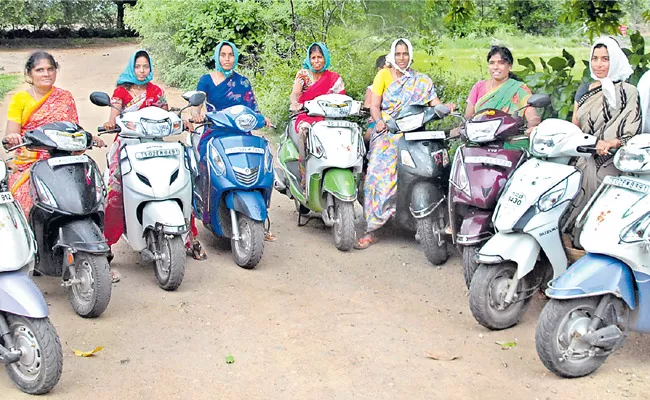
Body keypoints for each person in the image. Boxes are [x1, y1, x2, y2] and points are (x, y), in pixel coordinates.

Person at [102, 50, 205, 277]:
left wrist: (184, 121)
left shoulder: (156, 91)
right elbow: (113, 116)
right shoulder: (121, 91)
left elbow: (166, 116)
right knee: (116, 193)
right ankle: (105, 246)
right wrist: (111, 124)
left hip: (157, 145)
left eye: (145, 67)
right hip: (128, 146)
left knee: (184, 183)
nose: (142, 71)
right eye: (138, 67)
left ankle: (190, 238)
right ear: (132, 68)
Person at [355, 38, 455, 249]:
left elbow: (434, 104)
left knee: (434, 166)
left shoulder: (421, 81)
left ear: (411, 55)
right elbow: (375, 105)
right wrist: (379, 121)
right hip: (388, 132)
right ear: (393, 55)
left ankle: (432, 217)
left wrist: (446, 107)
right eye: (398, 54)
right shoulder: (383, 75)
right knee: (377, 173)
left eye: (405, 54)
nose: (402, 58)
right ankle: (373, 227)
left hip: (415, 132)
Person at [190, 40, 276, 241]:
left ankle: (262, 219)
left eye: (230, 55)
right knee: (206, 163)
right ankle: (207, 210)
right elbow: (197, 105)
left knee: (259, 165)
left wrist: (263, 119)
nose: (227, 59)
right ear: (217, 57)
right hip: (215, 132)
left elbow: (253, 109)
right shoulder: (206, 81)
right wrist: (196, 115)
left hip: (241, 133)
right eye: (223, 55)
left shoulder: (243, 82)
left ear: (235, 57)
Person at [4, 51, 104, 212]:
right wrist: (13, 138)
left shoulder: (65, 97)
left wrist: (89, 138)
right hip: (30, 164)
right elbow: (11, 137)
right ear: (30, 73)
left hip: (64, 160)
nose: (46, 74)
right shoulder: (20, 99)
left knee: (89, 195)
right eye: (40, 70)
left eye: (50, 69)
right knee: (27, 200)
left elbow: (73, 129)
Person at [566, 36, 641, 244]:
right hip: (583, 152)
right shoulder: (585, 90)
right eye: (595, 58)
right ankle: (567, 235)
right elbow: (575, 126)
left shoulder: (628, 93)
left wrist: (610, 143)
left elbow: (631, 133)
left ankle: (587, 238)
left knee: (597, 177)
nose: (599, 64)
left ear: (615, 60)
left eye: (605, 59)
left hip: (613, 157)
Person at [288, 42, 345, 190]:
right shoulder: (303, 74)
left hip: (328, 118)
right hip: (307, 116)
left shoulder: (334, 78)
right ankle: (304, 172)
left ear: (325, 58)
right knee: (303, 133)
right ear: (309, 59)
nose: (316, 61)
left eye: (320, 57)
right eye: (313, 57)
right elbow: (295, 93)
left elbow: (342, 98)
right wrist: (294, 103)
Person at [465, 46, 541, 135]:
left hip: (508, 139)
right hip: (478, 137)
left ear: (510, 66)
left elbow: (532, 115)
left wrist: (533, 126)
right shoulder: (478, 87)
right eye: (492, 63)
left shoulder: (518, 88)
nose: (495, 67)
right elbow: (468, 118)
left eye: (501, 63)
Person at [364, 54, 387, 142]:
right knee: (369, 135)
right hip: (376, 118)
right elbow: (367, 104)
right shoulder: (372, 88)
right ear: (379, 70)